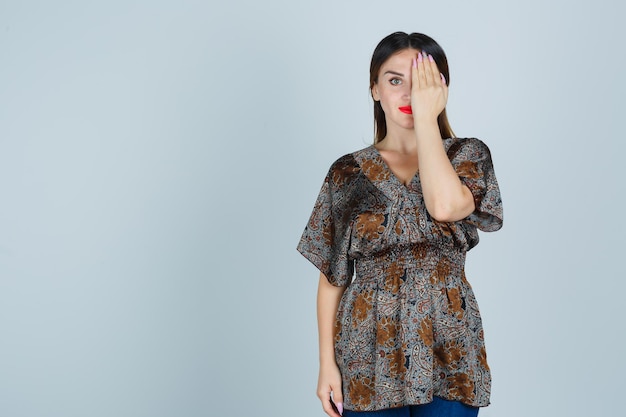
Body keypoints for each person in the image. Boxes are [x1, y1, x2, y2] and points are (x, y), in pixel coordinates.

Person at [297, 32, 503, 417]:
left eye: (422, 81)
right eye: (395, 81)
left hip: (450, 344)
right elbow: (332, 277)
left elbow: (444, 205)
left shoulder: (467, 156)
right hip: (367, 348)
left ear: (441, 87)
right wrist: (326, 364)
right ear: (375, 88)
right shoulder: (346, 173)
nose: (409, 94)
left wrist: (427, 120)